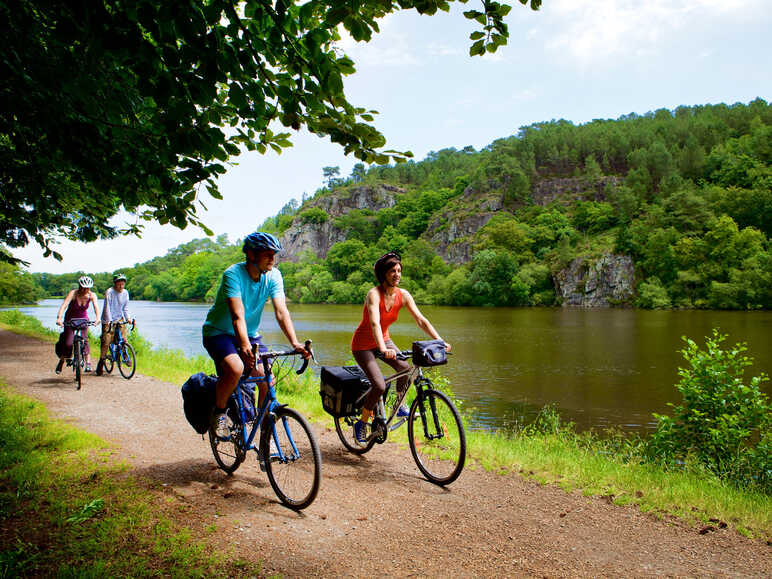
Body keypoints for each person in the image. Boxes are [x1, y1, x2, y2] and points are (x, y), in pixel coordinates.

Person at [202, 231, 310, 439]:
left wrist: (295, 342)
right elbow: (237, 315)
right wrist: (243, 345)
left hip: (250, 334)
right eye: (267, 254)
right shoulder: (232, 275)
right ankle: (220, 413)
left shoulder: (274, 275)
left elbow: (281, 312)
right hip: (218, 333)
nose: (272, 258)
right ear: (251, 254)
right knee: (236, 368)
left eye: (274, 254)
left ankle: (263, 433)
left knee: (266, 379)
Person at [351, 251, 450, 443]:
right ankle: (361, 423)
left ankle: (399, 406)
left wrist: (439, 341)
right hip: (363, 345)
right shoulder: (373, 294)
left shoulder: (403, 295)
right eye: (392, 271)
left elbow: (421, 320)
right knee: (379, 385)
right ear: (383, 274)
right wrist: (382, 348)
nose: (397, 274)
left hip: (384, 340)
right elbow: (375, 324)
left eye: (399, 271)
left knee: (405, 368)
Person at [55, 276, 100, 374]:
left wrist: (98, 318)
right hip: (70, 320)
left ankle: (88, 364)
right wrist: (59, 318)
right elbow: (64, 305)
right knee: (68, 344)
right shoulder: (73, 293)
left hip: (83, 320)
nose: (85, 290)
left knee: (85, 340)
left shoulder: (92, 295)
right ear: (79, 286)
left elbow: (96, 307)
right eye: (83, 287)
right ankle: (61, 361)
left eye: (87, 288)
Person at [96, 273, 132, 376]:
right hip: (108, 319)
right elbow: (107, 308)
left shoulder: (125, 293)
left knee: (123, 339)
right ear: (115, 284)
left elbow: (125, 308)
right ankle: (101, 362)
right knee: (106, 341)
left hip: (119, 318)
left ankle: (125, 354)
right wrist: (109, 321)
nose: (121, 286)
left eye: (122, 284)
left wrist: (128, 318)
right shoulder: (109, 292)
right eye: (119, 284)